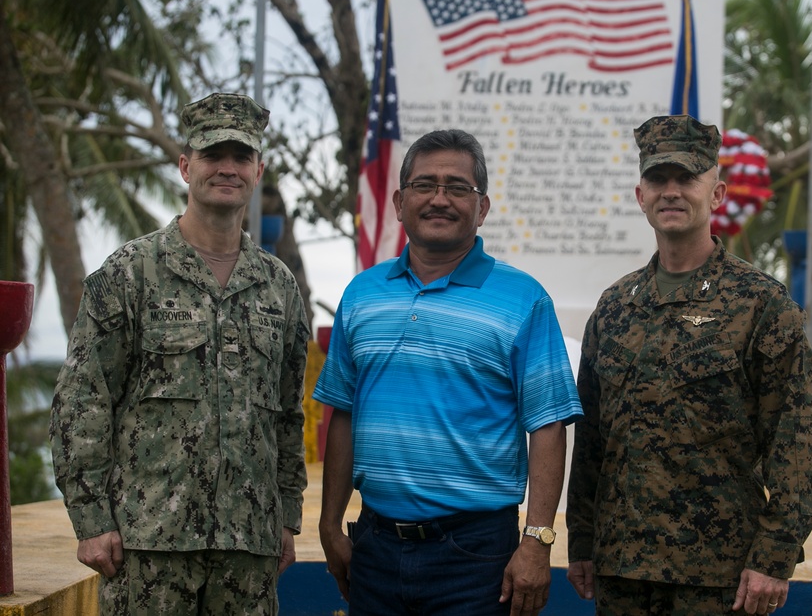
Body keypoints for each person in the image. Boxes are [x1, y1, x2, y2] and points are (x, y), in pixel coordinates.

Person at [49, 92, 310, 615]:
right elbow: (83, 400)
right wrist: (92, 521)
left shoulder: (278, 286)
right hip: (148, 545)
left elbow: (287, 414)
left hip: (248, 547)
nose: (227, 169)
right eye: (214, 156)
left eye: (241, 158)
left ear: (258, 170)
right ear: (186, 167)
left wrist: (286, 516)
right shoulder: (130, 272)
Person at [313, 129, 583, 616]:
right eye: (425, 185)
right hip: (374, 549)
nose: (440, 199)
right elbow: (344, 415)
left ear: (481, 208)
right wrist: (330, 525)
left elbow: (548, 426)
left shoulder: (524, 300)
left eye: (458, 187)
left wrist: (538, 541)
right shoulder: (361, 294)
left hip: (477, 558)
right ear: (399, 201)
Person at [565, 115, 812, 616]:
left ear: (717, 194)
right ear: (640, 196)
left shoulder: (760, 304)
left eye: (687, 178)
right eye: (658, 180)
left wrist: (774, 558)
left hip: (718, 578)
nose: (671, 191)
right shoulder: (616, 306)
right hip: (621, 571)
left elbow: (796, 449)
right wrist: (582, 539)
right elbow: (594, 439)